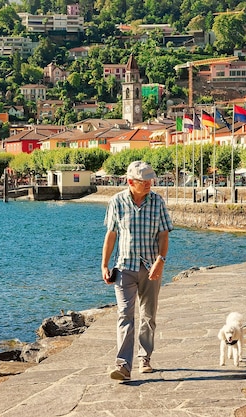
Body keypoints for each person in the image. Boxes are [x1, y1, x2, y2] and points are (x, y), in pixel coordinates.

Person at [101, 160, 174, 381]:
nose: (149, 183)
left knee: (148, 316)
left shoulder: (157, 202)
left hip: (151, 267)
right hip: (124, 267)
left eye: (151, 179)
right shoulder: (117, 202)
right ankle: (123, 365)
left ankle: (145, 357)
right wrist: (104, 264)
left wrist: (160, 260)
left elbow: (164, 234)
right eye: (144, 180)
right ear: (130, 181)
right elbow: (111, 235)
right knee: (125, 316)